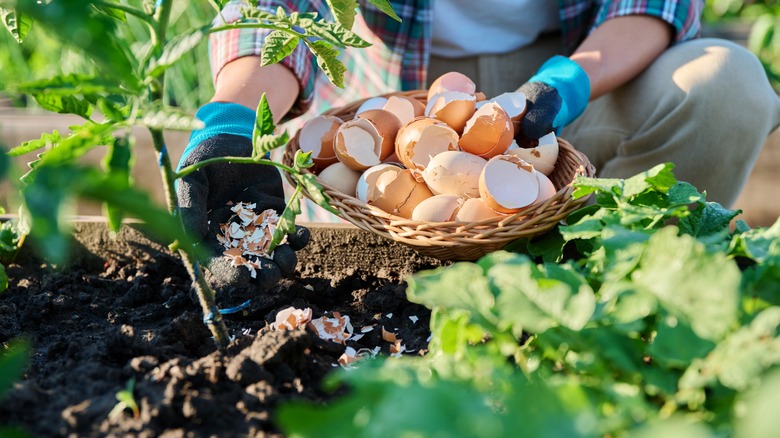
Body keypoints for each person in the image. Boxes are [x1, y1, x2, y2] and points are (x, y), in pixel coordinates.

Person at [176, 0, 780, 289]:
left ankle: (630, 295)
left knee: (727, 86)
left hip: (580, 67)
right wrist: (233, 117)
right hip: (394, 98)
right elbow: (281, 10)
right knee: (381, 208)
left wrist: (566, 84)